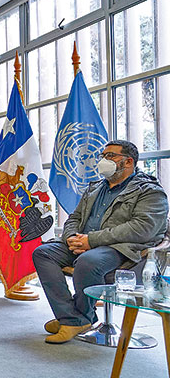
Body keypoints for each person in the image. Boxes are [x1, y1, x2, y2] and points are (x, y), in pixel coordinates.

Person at [32, 140, 168, 343]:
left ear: (128, 162)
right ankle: (72, 317)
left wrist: (91, 240)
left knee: (88, 261)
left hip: (120, 247)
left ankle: (79, 318)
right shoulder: (95, 188)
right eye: (102, 156)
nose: (103, 160)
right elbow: (74, 217)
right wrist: (71, 237)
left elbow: (142, 228)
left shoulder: (150, 191)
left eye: (110, 156)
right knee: (43, 253)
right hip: (84, 242)